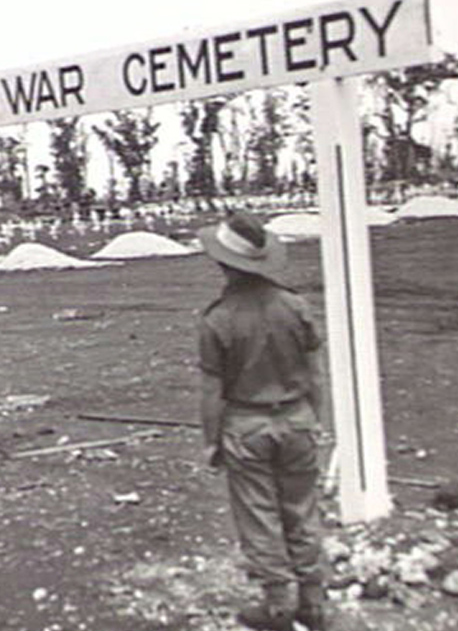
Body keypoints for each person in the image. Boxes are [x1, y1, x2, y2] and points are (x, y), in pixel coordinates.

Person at [196, 210, 328, 631]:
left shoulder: (217, 319)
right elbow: (316, 375)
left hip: (246, 425)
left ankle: (278, 608)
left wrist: (211, 441)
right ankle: (313, 603)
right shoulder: (295, 306)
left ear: (223, 264)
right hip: (297, 420)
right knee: (302, 510)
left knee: (259, 516)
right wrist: (313, 421)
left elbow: (212, 391)